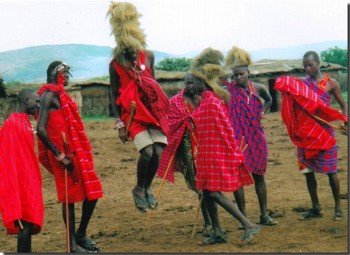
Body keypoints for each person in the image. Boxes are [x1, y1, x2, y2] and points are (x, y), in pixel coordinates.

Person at [158, 48, 260, 246]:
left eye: (191, 82)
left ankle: (248, 224)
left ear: (200, 82)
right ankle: (217, 231)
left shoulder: (212, 102)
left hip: (215, 154)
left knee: (212, 192)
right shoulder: (203, 102)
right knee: (205, 191)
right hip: (204, 154)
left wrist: (231, 153)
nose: (187, 86)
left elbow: (225, 130)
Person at [107, 2, 169, 213]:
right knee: (147, 152)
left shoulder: (149, 56)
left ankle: (147, 187)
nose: (132, 53)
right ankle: (138, 189)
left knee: (159, 152)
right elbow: (113, 93)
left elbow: (156, 87)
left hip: (152, 113)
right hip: (132, 114)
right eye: (127, 50)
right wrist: (120, 124)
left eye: (134, 49)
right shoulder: (115, 64)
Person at [36, 61, 103, 252]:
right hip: (62, 156)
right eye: (64, 73)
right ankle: (71, 245)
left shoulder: (61, 95)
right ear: (54, 74)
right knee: (69, 199)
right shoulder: (48, 96)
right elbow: (40, 129)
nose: (67, 77)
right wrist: (59, 156)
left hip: (76, 153)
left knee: (93, 192)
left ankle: (80, 234)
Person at [274, 51, 348, 221]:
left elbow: (344, 105)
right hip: (305, 135)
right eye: (305, 65)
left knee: (331, 171)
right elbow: (285, 89)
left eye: (310, 65)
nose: (307, 68)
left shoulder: (331, 83)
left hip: (324, 134)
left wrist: (345, 121)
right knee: (307, 172)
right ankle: (316, 207)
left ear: (318, 63)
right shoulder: (302, 85)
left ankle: (338, 207)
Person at [224, 46, 277, 226]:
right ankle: (243, 217)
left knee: (259, 176)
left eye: (241, 74)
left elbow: (270, 99)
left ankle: (264, 215)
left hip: (256, 138)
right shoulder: (228, 91)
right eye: (235, 75)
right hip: (237, 141)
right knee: (238, 178)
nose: (239, 78)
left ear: (248, 72)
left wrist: (261, 112)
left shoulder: (259, 88)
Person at [0, 89, 43, 253]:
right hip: (19, 182)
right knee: (24, 224)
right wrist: (14, 190)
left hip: (28, 179)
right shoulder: (12, 124)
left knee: (28, 222)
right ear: (25, 100)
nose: (38, 105)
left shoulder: (24, 121)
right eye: (36, 101)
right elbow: (7, 160)